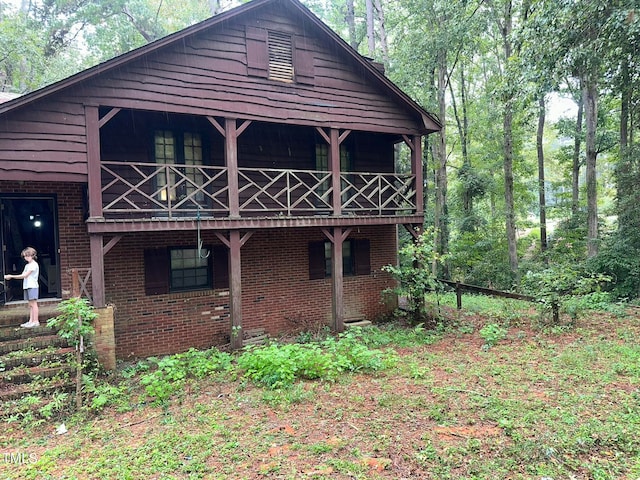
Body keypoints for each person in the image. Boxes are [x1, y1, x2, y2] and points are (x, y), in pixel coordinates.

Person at [4, 247, 40, 328]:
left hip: (32, 286)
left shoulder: (34, 265)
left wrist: (11, 276)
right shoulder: (27, 265)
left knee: (34, 304)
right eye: (24, 256)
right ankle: (31, 321)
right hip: (27, 286)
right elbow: (23, 275)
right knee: (30, 304)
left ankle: (36, 321)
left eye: (27, 256)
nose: (25, 258)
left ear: (32, 255)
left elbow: (24, 275)